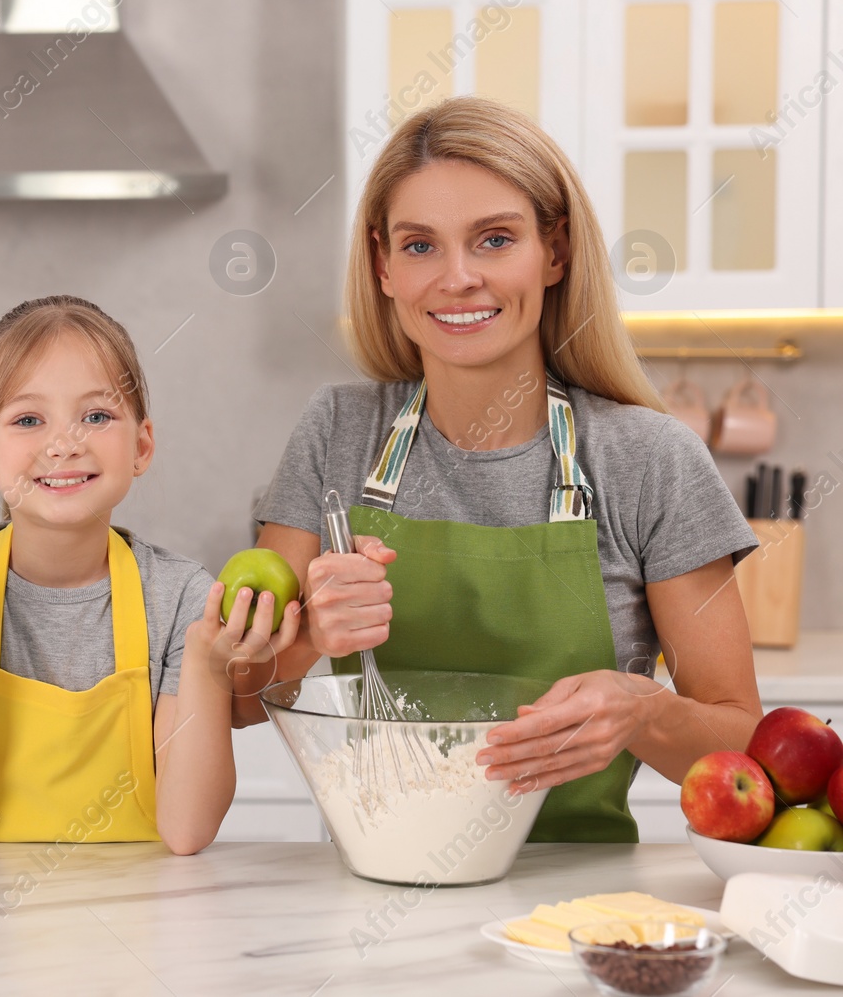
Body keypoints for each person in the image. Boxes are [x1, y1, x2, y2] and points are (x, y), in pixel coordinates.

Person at [233, 97, 762, 841]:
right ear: (383, 264)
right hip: (376, 885)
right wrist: (312, 636)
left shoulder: (650, 460)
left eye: (494, 239)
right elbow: (236, 695)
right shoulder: (338, 432)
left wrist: (644, 708)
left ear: (555, 250)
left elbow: (744, 749)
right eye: (420, 246)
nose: (458, 278)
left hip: (574, 909)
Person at [0, 296, 301, 854]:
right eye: (29, 419)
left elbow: (186, 832)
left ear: (142, 445)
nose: (64, 444)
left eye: (96, 416)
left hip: (146, 920)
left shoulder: (181, 599)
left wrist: (210, 667)